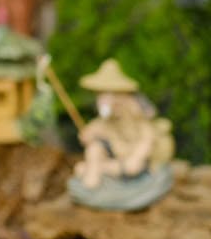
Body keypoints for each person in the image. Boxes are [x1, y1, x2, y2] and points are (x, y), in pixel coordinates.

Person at [73, 59, 174, 191]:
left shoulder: (135, 112)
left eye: (105, 94)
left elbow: (147, 136)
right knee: (94, 149)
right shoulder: (106, 117)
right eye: (100, 94)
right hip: (118, 154)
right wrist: (88, 135)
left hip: (137, 155)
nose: (101, 99)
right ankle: (93, 179)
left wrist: (138, 155)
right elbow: (94, 130)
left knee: (132, 166)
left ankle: (98, 170)